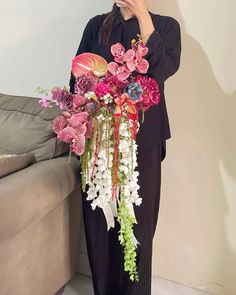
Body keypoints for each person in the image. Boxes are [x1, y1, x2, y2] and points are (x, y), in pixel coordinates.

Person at [69, 1, 181, 294]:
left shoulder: (166, 27)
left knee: (138, 225)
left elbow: (162, 68)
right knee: (99, 222)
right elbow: (77, 82)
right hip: (100, 140)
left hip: (143, 141)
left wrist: (143, 15)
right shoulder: (97, 25)